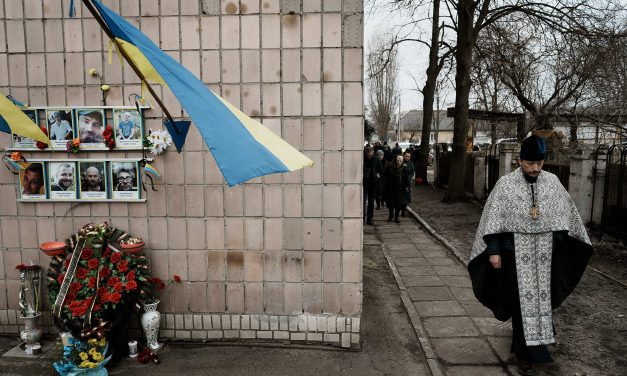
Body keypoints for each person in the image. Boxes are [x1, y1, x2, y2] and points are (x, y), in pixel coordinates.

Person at [468, 135, 592, 376]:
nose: (536, 168)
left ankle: (540, 338)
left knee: (542, 300)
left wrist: (557, 244)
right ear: (519, 160)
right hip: (514, 254)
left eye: (540, 163)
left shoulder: (553, 182)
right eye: (530, 163)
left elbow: (565, 216)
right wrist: (493, 251)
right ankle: (524, 353)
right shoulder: (505, 185)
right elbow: (494, 220)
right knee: (519, 301)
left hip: (545, 255)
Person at [382, 155, 410, 223]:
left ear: (402, 161)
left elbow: (406, 179)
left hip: (400, 188)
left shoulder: (404, 168)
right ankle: (391, 216)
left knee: (398, 203)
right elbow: (385, 176)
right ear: (396, 160)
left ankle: (396, 217)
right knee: (391, 203)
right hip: (391, 188)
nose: (399, 162)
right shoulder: (391, 167)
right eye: (398, 160)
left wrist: (407, 187)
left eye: (400, 161)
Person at [363, 146, 382, 225]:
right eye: (367, 154)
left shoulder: (376, 160)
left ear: (373, 153)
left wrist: (378, 175)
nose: (369, 155)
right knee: (362, 201)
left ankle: (370, 219)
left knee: (371, 202)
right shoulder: (363, 159)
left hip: (373, 183)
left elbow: (381, 169)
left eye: (370, 154)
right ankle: (362, 217)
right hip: (364, 183)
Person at [399, 150, 415, 217]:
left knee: (406, 198)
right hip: (401, 183)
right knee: (400, 197)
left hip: (408, 183)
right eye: (406, 156)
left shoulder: (411, 163)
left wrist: (410, 178)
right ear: (404, 156)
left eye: (409, 156)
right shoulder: (401, 162)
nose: (407, 157)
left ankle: (403, 211)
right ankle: (400, 209)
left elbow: (412, 172)